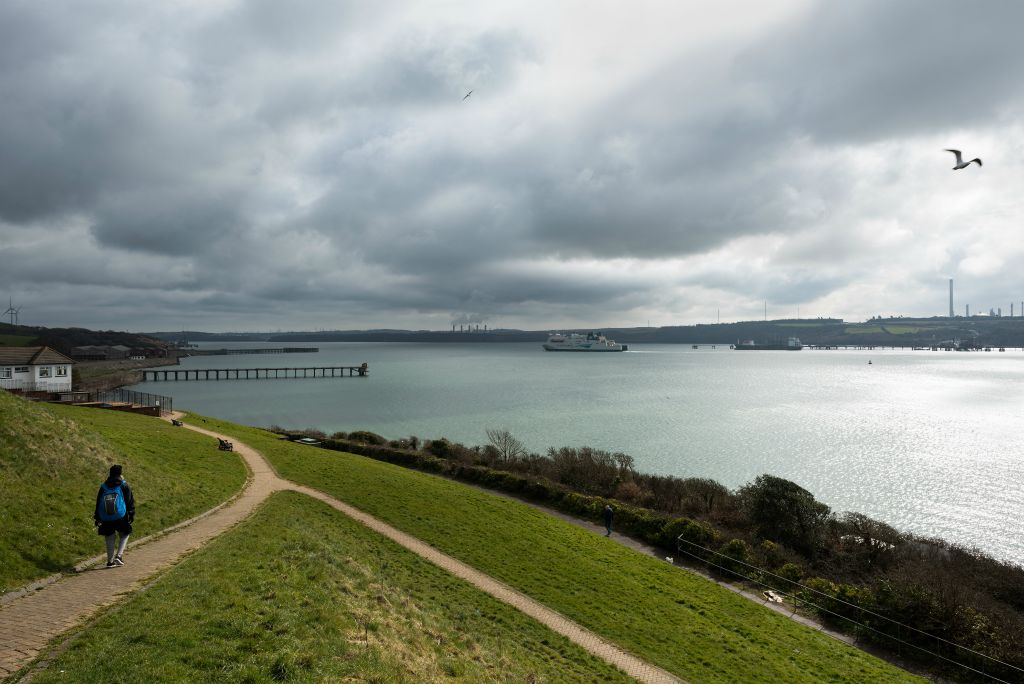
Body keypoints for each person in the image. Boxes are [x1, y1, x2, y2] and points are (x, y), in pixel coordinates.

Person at [94, 464, 135, 568]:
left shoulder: (103, 487)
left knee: (109, 537)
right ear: (120, 473)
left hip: (106, 516)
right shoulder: (123, 485)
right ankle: (119, 556)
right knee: (125, 533)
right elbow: (129, 500)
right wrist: (131, 513)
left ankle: (109, 561)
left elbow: (98, 502)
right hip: (120, 515)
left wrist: (97, 517)